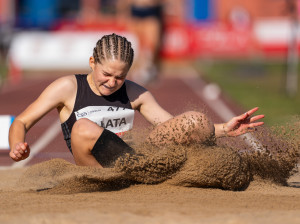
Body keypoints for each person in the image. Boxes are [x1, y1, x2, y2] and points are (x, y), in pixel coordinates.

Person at [9, 33, 264, 168]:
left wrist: (223, 130)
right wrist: (16, 145)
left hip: (131, 164)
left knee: (195, 120)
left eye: (120, 77)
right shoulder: (67, 87)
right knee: (82, 127)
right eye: (106, 74)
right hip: (93, 170)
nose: (111, 82)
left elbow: (172, 127)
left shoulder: (135, 93)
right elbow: (22, 120)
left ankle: (145, 171)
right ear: (92, 63)